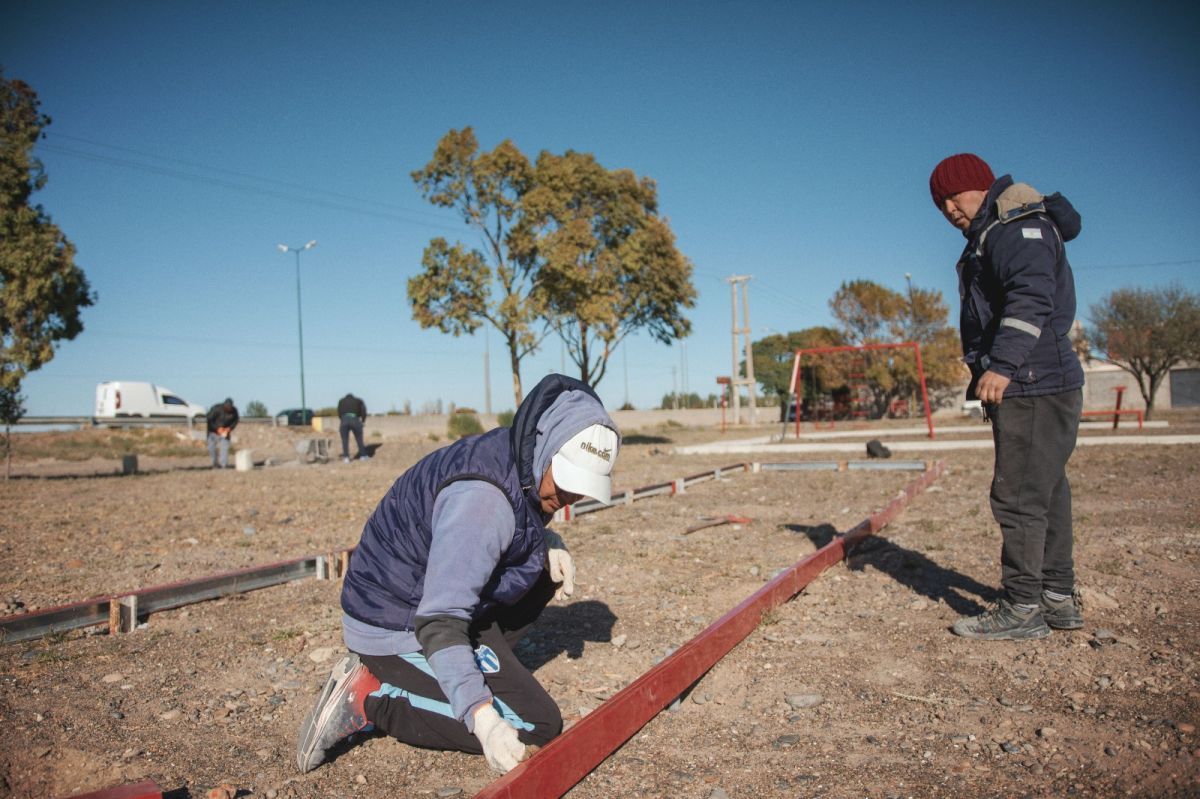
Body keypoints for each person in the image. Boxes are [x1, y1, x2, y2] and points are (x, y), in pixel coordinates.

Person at [296, 374, 620, 774]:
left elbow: (505, 533)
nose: (571, 498)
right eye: (568, 482)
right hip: (395, 622)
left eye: (583, 488)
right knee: (536, 725)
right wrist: (483, 720)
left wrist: (547, 539)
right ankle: (368, 697)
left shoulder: (521, 456)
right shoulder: (483, 501)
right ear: (548, 447)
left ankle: (463, 668)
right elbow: (439, 619)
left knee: (542, 573)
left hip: (427, 598)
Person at [928, 153, 1086, 641]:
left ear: (981, 186)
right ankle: (1057, 597)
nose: (950, 207)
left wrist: (1001, 366)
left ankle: (1022, 607)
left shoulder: (1014, 228)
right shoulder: (995, 231)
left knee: (1017, 497)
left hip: (1032, 380)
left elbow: (1031, 296)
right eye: (941, 203)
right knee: (1046, 491)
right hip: (1038, 379)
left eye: (956, 195)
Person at [205, 397, 239, 469]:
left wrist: (229, 428)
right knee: (212, 449)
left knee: (224, 448)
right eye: (227, 407)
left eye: (230, 408)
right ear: (224, 405)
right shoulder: (216, 408)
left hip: (225, 432)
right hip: (213, 432)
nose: (228, 409)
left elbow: (235, 421)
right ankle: (215, 464)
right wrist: (217, 429)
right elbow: (209, 420)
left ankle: (224, 465)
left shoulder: (234, 411)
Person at [337, 392, 370, 463]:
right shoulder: (358, 400)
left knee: (344, 440)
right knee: (359, 439)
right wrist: (363, 420)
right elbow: (363, 411)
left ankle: (346, 457)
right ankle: (363, 455)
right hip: (355, 419)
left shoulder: (341, 401)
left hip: (344, 420)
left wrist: (343, 420)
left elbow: (339, 412)